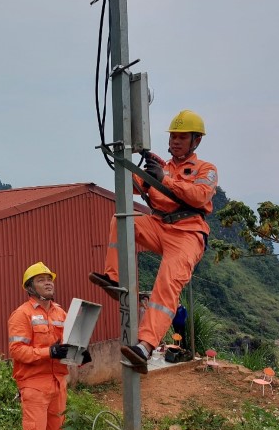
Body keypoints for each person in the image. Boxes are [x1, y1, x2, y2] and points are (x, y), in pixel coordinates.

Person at [89, 110, 217, 374]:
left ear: (196, 141)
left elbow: (198, 195)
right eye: (173, 136)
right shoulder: (161, 167)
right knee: (123, 220)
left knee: (167, 284)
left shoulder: (206, 170)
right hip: (160, 224)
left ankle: (145, 346)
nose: (176, 141)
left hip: (188, 233)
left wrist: (163, 179)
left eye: (182, 137)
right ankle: (114, 278)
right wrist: (129, 162)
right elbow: (132, 184)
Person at [7, 262, 90, 430]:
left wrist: (81, 356)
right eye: (41, 279)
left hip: (58, 383)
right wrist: (48, 352)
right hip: (34, 384)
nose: (48, 283)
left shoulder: (61, 313)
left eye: (49, 278)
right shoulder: (21, 314)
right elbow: (17, 351)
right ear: (30, 287)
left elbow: (68, 346)